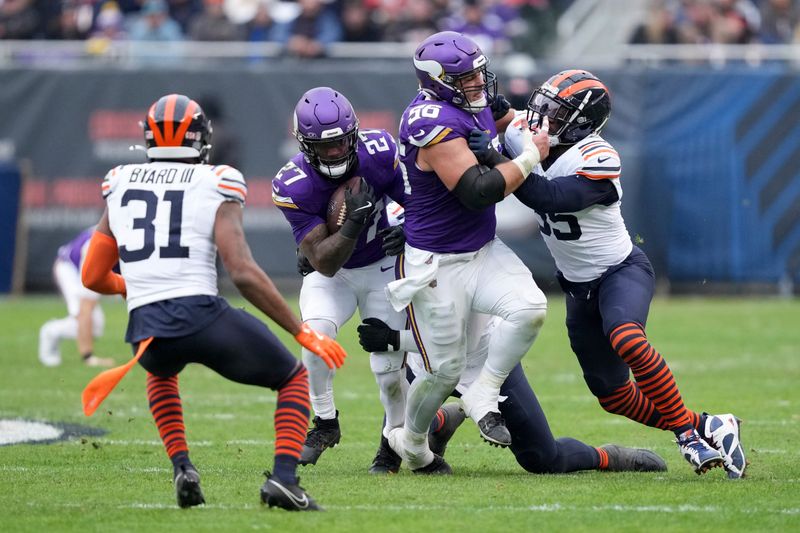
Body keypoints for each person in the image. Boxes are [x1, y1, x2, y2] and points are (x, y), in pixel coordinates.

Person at [468, 70, 746, 478]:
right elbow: (504, 115)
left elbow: (548, 197)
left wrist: (496, 159)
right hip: (578, 292)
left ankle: (687, 434)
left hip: (620, 273)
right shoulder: (531, 132)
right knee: (613, 396)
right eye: (542, 104)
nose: (541, 117)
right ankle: (710, 425)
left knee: (627, 336)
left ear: (581, 123)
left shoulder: (598, 157)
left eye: (555, 111)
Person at [81, 93, 346, 510]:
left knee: (161, 372)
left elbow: (92, 276)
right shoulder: (218, 179)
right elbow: (240, 271)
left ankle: (182, 466)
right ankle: (284, 480)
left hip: (145, 329)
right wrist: (301, 330)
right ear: (203, 139)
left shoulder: (119, 180)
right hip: (199, 315)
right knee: (293, 379)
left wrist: (136, 287)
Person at [273, 86, 462, 475]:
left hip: (382, 270)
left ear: (354, 133)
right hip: (336, 276)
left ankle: (390, 450)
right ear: (305, 145)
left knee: (388, 371)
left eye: (342, 142)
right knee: (315, 336)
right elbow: (323, 263)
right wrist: (354, 222)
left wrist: (408, 229)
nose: (336, 152)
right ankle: (325, 423)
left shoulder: (379, 153)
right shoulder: (293, 183)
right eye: (324, 147)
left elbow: (423, 203)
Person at [385, 30, 550, 474]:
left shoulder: (470, 105)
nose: (479, 82)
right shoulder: (429, 120)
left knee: (531, 308)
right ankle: (412, 442)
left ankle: (484, 391)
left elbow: (512, 121)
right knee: (442, 372)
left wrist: (520, 133)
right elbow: (478, 192)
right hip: (438, 264)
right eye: (468, 77)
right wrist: (528, 157)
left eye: (479, 72)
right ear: (438, 81)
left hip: (481, 249)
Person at [358, 314, 668, 474]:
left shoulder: (468, 224)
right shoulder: (403, 209)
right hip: (423, 359)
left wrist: (392, 337)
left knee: (543, 459)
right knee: (394, 452)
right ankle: (436, 423)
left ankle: (607, 456)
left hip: (485, 359)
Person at [39, 227, 115, 368]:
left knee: (96, 326)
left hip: (79, 264)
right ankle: (51, 331)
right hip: (68, 269)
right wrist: (88, 357)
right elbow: (85, 307)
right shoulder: (96, 248)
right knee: (84, 316)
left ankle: (53, 330)